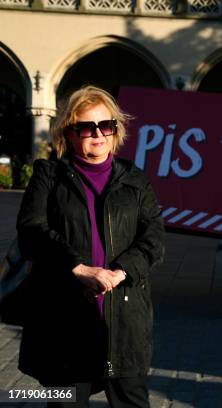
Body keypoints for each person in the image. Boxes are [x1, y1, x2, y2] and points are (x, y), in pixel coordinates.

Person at [16, 86, 165, 407]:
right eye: (86, 127)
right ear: (68, 133)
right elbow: (31, 232)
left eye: (106, 125)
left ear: (116, 130)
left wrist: (120, 272)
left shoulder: (135, 179)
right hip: (64, 319)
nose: (97, 134)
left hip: (123, 318)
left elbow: (154, 238)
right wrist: (79, 269)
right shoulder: (49, 175)